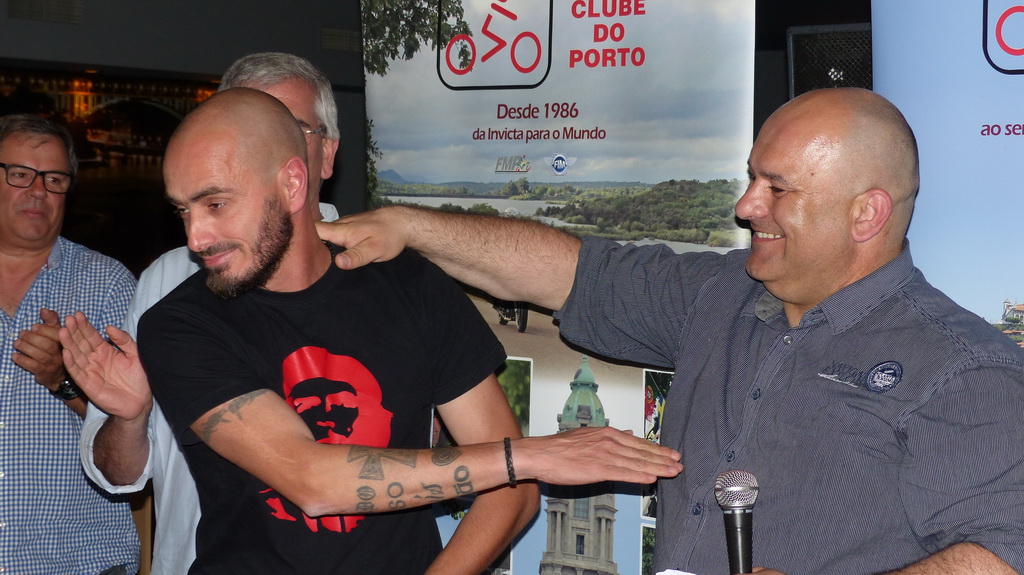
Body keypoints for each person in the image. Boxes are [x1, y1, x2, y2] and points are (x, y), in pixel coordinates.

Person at [315, 88, 1024, 575]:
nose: (746, 206)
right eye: (752, 177)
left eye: (777, 187)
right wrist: (410, 227)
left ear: (866, 213)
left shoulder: (962, 368)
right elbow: (566, 271)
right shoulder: (722, 294)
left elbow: (1004, 552)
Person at [69, 88, 681, 574]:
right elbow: (313, 481)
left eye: (216, 204)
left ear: (291, 183)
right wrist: (535, 453)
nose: (195, 237)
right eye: (182, 210)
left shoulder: (412, 286)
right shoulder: (179, 324)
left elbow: (512, 495)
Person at [70, 52, 342, 575]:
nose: (256, 148)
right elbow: (118, 474)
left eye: (289, 128)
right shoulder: (167, 281)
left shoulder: (379, 275)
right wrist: (130, 417)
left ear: (324, 155)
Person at [0, 113, 138, 573]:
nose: (38, 190)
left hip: (75, 559)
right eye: (20, 174)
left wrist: (65, 379)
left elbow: (145, 435)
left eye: (54, 179)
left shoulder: (109, 286)